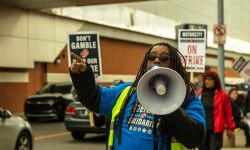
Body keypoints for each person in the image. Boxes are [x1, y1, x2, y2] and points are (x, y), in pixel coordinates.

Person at [69, 42, 206, 150]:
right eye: (151, 57)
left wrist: (167, 103)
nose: (157, 60)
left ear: (175, 64)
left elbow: (194, 138)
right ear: (146, 63)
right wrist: (82, 76)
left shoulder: (187, 100)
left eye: (164, 58)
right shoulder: (125, 92)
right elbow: (94, 99)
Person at [196, 71, 236, 150]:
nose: (207, 81)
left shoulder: (222, 95)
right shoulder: (200, 93)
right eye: (206, 79)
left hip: (216, 129)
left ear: (215, 81)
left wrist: (231, 128)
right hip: (202, 128)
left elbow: (228, 113)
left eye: (210, 79)